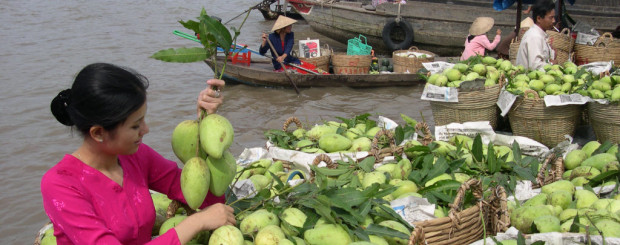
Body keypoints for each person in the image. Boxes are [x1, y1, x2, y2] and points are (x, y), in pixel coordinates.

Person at [42, 63, 235, 244]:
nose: (146, 129)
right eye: (136, 125)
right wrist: (197, 222)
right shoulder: (61, 184)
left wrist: (207, 126)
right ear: (98, 133)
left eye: (143, 120)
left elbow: (207, 197)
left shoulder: (136, 156)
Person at [516, 0, 557, 71]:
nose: (553, 21)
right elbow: (535, 66)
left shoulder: (540, 35)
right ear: (539, 18)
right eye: (551, 17)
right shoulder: (534, 36)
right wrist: (552, 64)